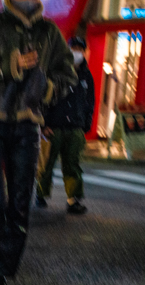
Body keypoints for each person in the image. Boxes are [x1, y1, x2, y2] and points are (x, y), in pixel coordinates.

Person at [0, 0, 76, 285]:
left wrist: (45, 89)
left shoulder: (49, 32)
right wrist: (8, 67)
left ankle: (0, 275)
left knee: (20, 205)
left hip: (27, 124)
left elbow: (67, 75)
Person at [35, 36, 95, 214]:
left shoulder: (86, 76)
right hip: (54, 126)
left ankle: (73, 199)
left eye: (80, 49)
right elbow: (43, 98)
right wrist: (44, 124)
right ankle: (41, 194)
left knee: (73, 164)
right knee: (47, 163)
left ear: (85, 52)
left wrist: (85, 125)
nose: (77, 53)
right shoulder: (55, 71)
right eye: (73, 49)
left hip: (75, 127)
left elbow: (89, 102)